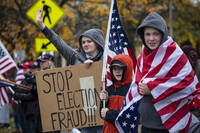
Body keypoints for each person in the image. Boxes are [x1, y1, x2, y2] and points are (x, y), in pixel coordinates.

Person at [36, 8, 104, 133]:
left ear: (98, 43)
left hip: (102, 114)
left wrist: (94, 66)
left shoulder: (108, 60)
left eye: (89, 41)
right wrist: (42, 26)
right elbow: (59, 43)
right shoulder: (75, 57)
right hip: (83, 116)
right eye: (83, 42)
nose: (85, 44)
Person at [134, 12, 200, 133]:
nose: (151, 39)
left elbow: (187, 83)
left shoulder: (175, 54)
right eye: (147, 34)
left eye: (156, 34)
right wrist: (139, 122)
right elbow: (136, 89)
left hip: (167, 127)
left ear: (162, 35)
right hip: (146, 125)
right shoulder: (142, 57)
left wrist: (154, 89)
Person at [99, 54, 134, 133]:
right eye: (114, 68)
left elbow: (131, 115)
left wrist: (109, 114)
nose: (117, 71)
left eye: (120, 68)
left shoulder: (133, 90)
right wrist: (104, 101)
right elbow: (102, 114)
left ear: (127, 69)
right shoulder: (108, 89)